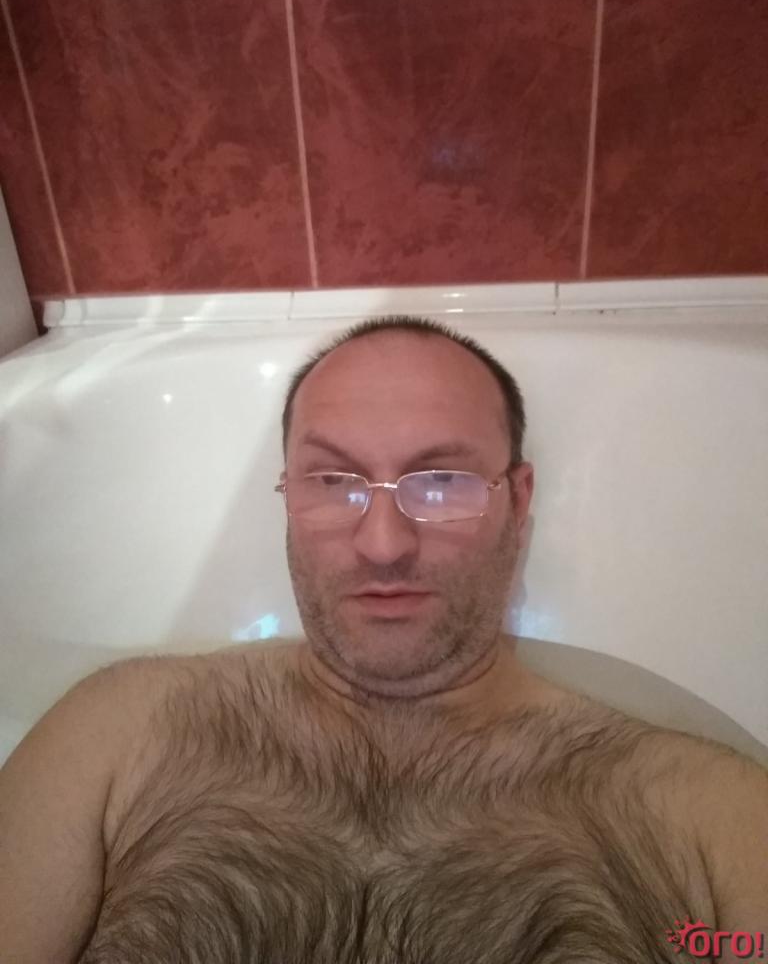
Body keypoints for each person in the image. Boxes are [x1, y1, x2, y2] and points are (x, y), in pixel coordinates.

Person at [1, 315, 766, 964]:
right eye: (334, 482)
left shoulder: (703, 812)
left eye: (441, 481)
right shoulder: (119, 733)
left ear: (517, 498)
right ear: (288, 495)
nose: (383, 544)